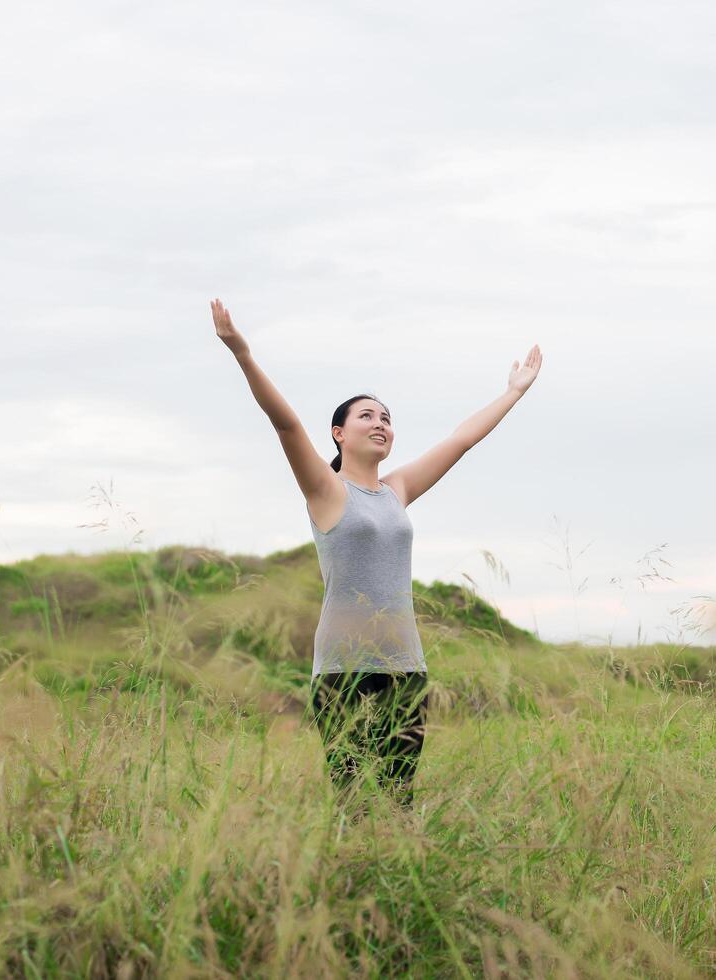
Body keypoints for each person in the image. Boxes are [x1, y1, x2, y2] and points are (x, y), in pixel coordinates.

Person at [210, 298, 542, 814]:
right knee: (354, 803)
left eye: (387, 417)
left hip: (406, 668)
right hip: (343, 669)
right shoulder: (326, 491)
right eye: (367, 415)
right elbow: (287, 425)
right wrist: (242, 353)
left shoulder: (397, 490)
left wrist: (513, 393)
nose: (381, 423)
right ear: (339, 434)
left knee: (398, 803)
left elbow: (462, 440)